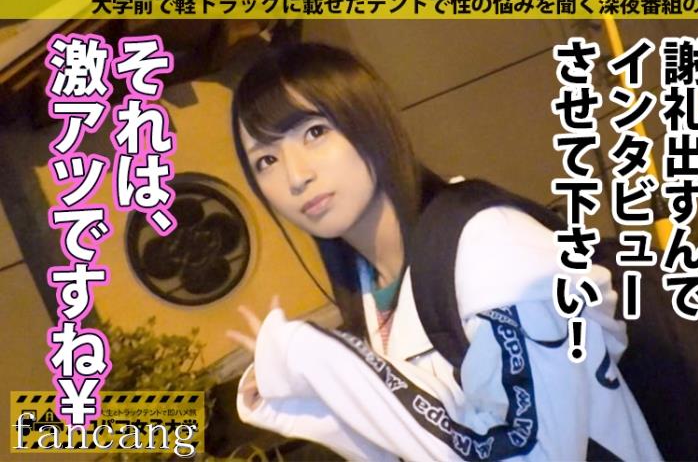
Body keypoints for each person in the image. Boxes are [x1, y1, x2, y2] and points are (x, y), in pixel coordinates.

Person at [226, 42, 661, 461]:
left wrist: (332, 366)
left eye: (315, 132)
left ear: (370, 120)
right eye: (266, 160)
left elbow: (531, 451)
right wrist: (311, 394)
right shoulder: (370, 292)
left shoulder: (491, 248)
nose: (295, 176)